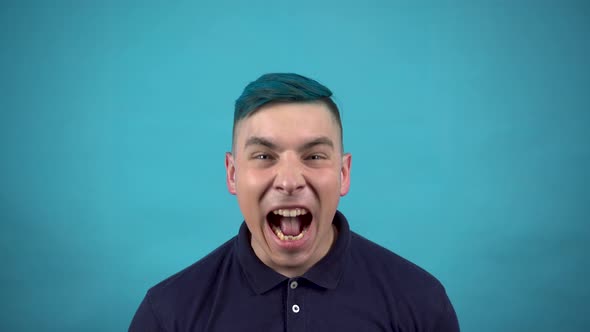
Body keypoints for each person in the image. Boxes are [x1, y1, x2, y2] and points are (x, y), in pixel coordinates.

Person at [129, 73, 460, 331]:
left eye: (314, 155)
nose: (289, 181)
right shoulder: (168, 314)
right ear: (232, 174)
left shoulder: (421, 303)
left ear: (343, 174)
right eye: (263, 155)